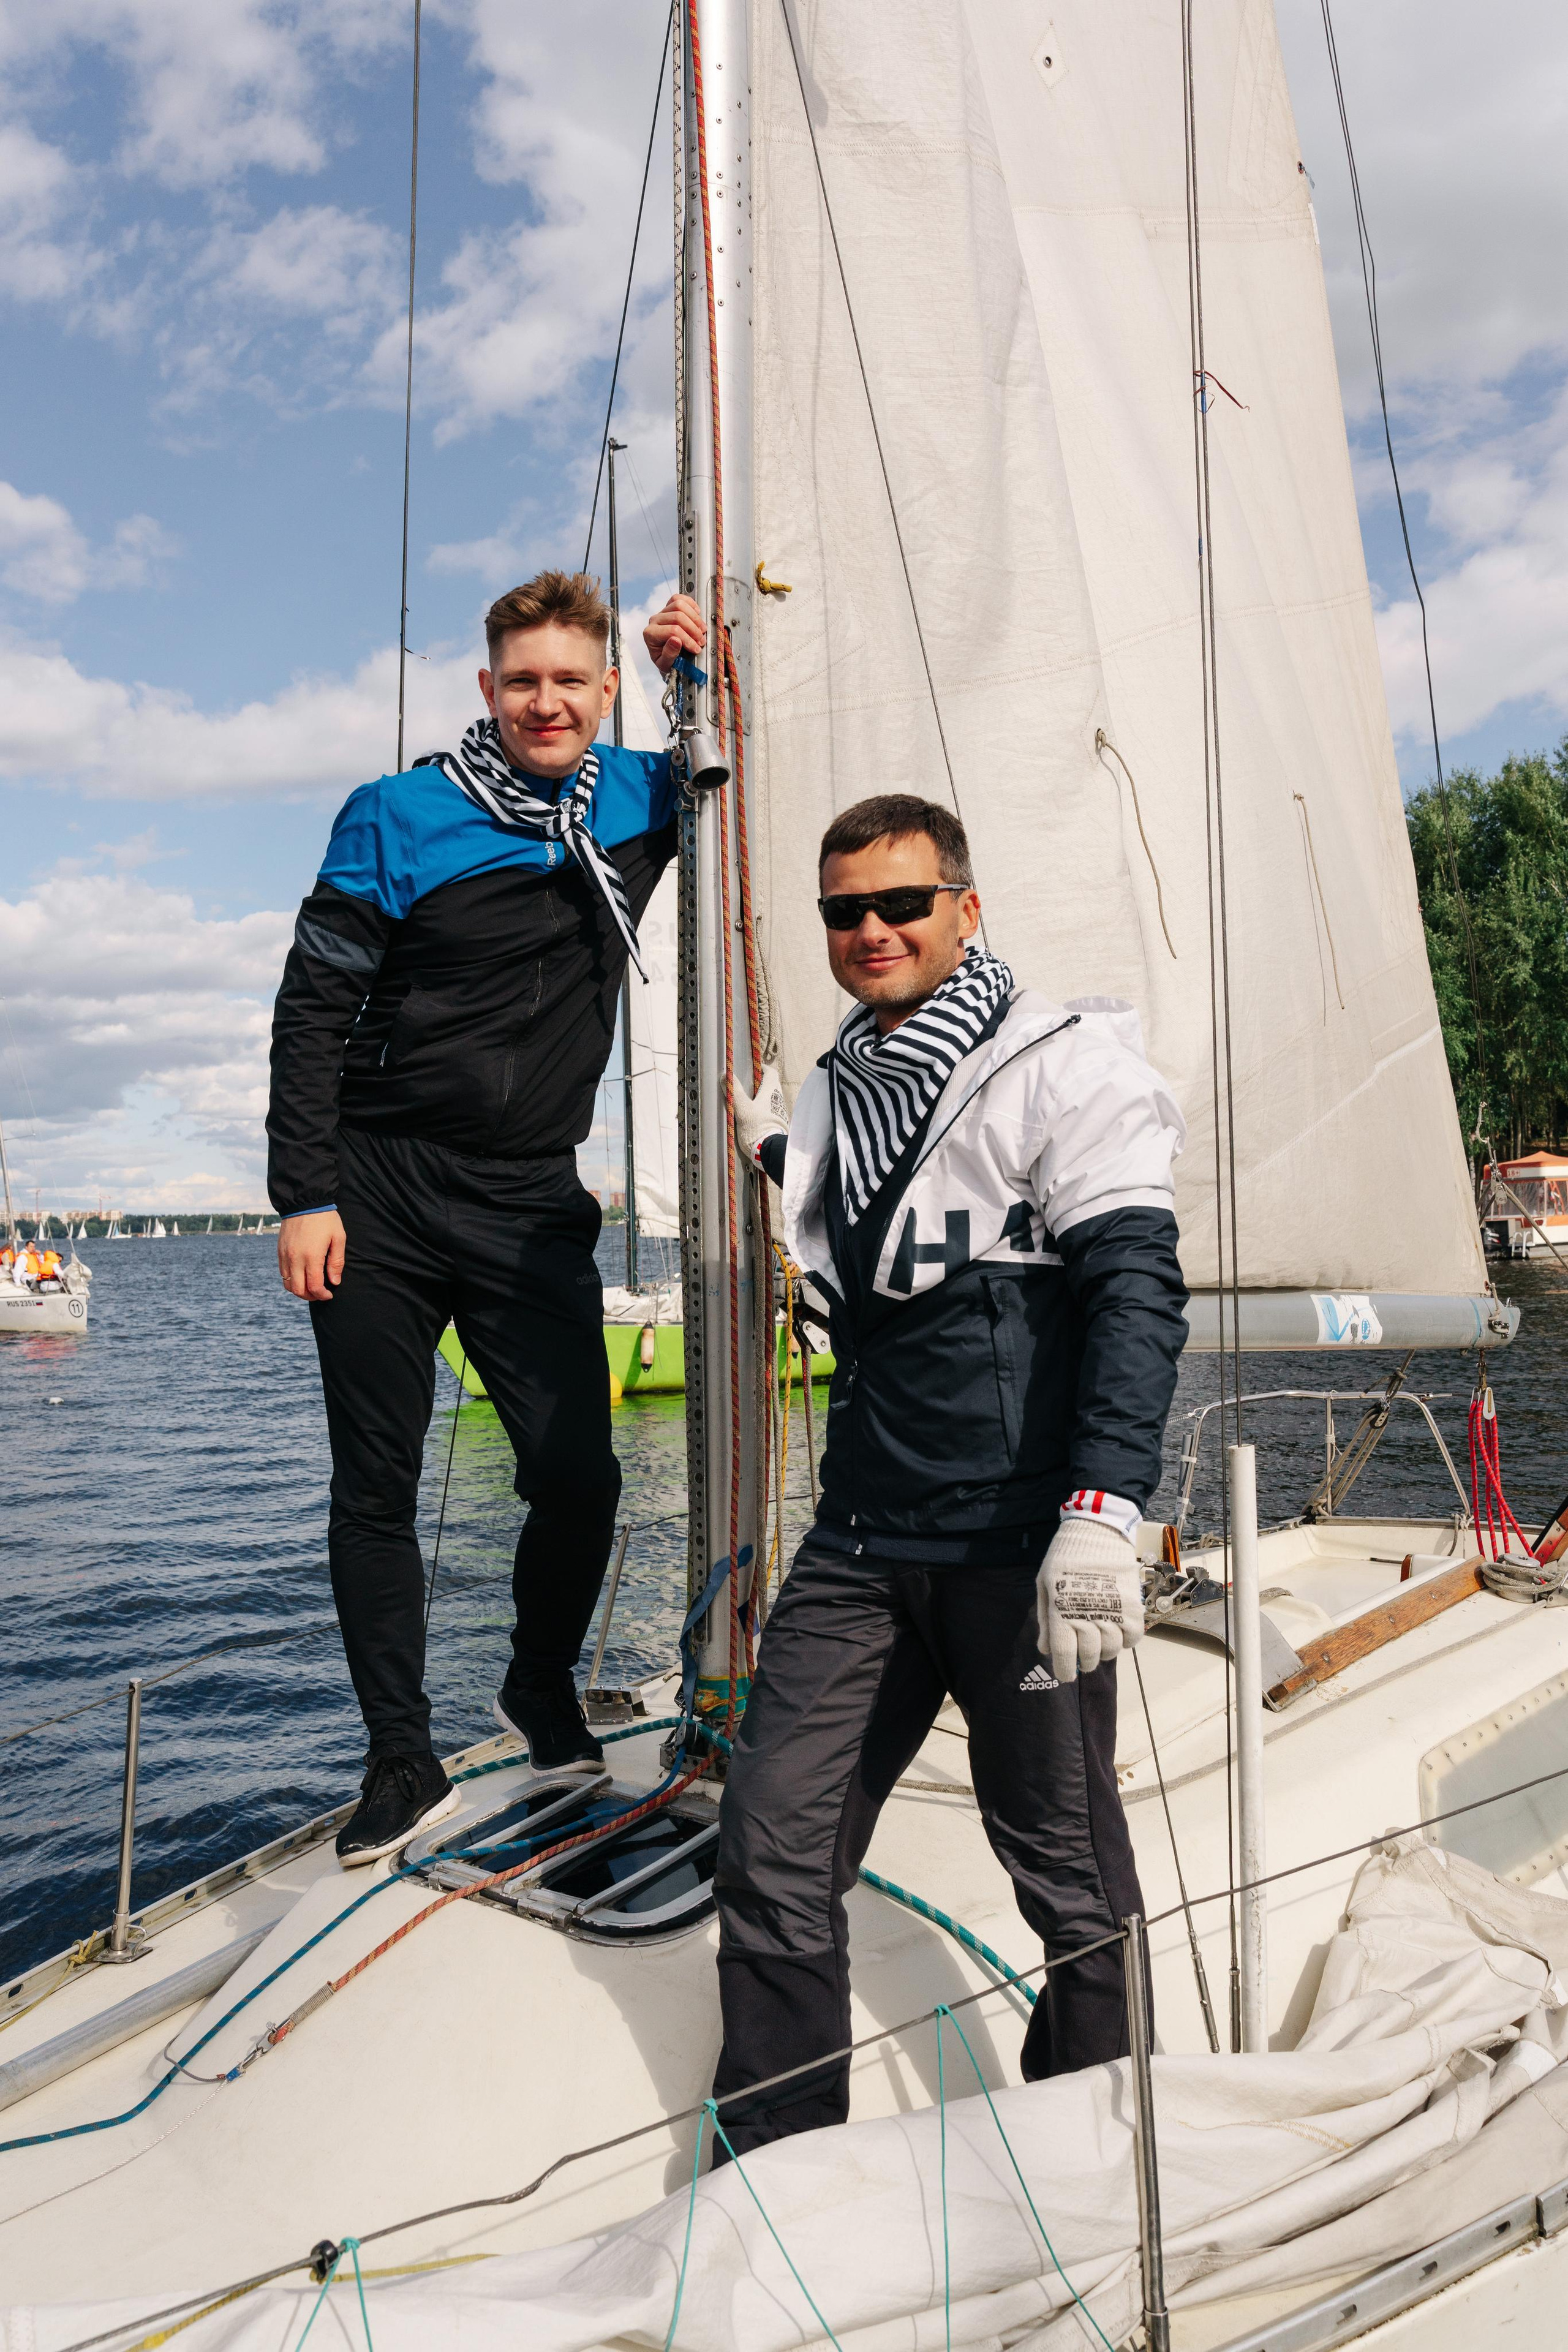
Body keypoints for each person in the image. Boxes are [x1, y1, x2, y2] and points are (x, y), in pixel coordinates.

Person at [712, 793, 1188, 2152]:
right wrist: (765, 1148)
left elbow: (1133, 1291)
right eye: (842, 912)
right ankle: (784, 2164)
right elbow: (866, 1219)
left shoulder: (1064, 1066)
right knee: (772, 1839)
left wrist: (1103, 1508)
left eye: (899, 905)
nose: (869, 931)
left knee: (1063, 1869)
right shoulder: (832, 1091)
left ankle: (1095, 2144)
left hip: (1016, 1541)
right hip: (864, 1537)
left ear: (963, 912)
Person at [268, 569, 704, 1868]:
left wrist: (699, 669)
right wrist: (306, 1193)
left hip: (529, 1199)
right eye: (523, 681)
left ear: (604, 688)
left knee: (577, 1474)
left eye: (573, 679)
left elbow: (747, 765)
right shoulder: (399, 814)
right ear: (487, 690)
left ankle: (536, 1683)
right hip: (382, 1190)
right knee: (376, 1487)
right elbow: (311, 1008)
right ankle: (399, 1757)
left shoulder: (640, 796)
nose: (547, 702)